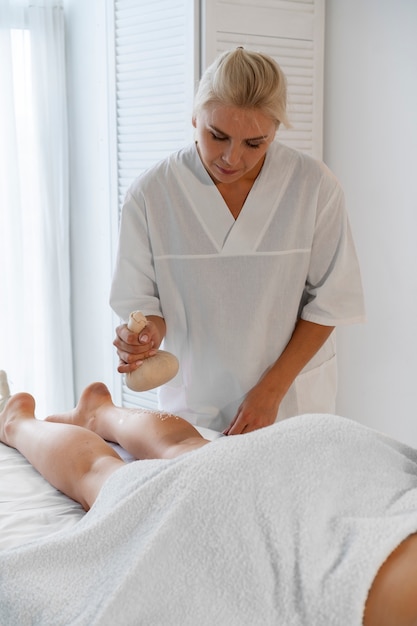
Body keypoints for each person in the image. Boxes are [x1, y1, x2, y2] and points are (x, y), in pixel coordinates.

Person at [1, 383, 417, 626]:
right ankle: (18, 424)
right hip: (257, 518)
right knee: (106, 478)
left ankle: (102, 412)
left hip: (339, 460)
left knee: (193, 450)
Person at [110, 47, 365, 435]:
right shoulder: (151, 194)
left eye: (254, 143)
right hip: (195, 406)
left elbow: (330, 303)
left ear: (276, 130)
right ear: (195, 117)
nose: (232, 158)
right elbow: (145, 302)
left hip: (292, 401)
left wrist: (271, 391)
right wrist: (144, 337)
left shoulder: (313, 187)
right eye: (217, 136)